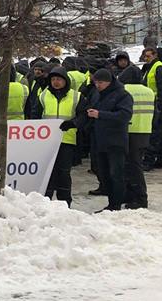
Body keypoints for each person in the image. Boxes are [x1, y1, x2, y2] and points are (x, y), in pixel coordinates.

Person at [79, 69, 133, 212]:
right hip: (100, 140)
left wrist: (100, 114)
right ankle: (111, 203)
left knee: (116, 174)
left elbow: (124, 115)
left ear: (109, 82)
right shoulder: (98, 95)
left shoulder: (123, 95)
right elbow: (91, 111)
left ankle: (115, 205)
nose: (97, 85)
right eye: (95, 82)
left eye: (101, 82)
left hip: (116, 141)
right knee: (104, 173)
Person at [32, 67, 80, 206]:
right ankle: (46, 202)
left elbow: (83, 116)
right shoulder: (43, 96)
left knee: (64, 173)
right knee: (48, 173)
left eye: (58, 79)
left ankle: (64, 203)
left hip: (67, 140)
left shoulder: (76, 96)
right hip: (47, 141)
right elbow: (35, 115)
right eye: (53, 79)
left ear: (65, 80)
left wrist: (73, 123)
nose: (56, 82)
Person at [118, 66, 154, 208]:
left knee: (130, 166)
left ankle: (139, 198)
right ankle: (133, 195)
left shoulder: (124, 90)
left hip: (128, 130)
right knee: (135, 165)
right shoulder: (149, 91)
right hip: (144, 130)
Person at [140, 47, 162, 170]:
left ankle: (151, 161)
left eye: (148, 56)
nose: (146, 58)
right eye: (145, 56)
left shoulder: (159, 67)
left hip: (161, 105)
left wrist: (159, 105)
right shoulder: (153, 67)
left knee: (156, 134)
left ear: (155, 55)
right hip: (160, 104)